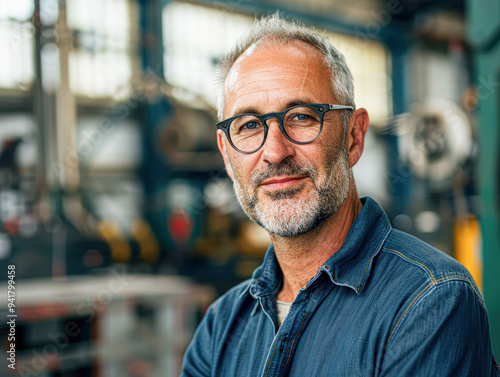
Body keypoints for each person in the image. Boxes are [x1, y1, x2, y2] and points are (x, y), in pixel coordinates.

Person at [180, 13, 499, 377]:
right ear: (225, 152)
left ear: (353, 137)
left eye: (301, 117)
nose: (274, 151)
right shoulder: (220, 326)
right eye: (250, 125)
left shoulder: (430, 300)